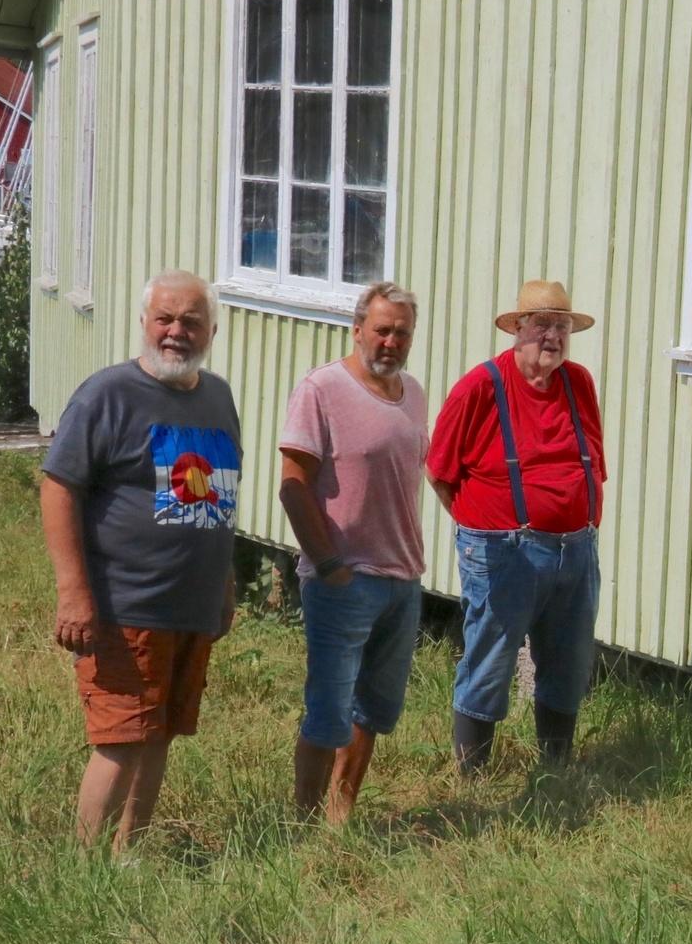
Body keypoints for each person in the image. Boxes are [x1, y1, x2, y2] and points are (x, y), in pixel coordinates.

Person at [40, 271, 240, 852]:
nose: (177, 332)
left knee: (161, 733)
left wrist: (224, 585)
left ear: (212, 329)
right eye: (166, 319)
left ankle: (128, 856)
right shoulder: (108, 393)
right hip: (124, 604)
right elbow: (59, 487)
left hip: (191, 606)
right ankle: (82, 869)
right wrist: (74, 593)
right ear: (145, 324)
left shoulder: (218, 396)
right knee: (122, 736)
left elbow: (219, 499)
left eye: (191, 322)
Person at [427, 280, 605, 773]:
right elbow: (440, 471)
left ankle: (555, 767)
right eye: (542, 324)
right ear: (517, 330)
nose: (553, 336)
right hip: (504, 550)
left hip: (576, 548)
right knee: (491, 662)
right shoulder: (481, 386)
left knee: (568, 662)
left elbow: (592, 460)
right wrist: (482, 531)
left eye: (562, 326)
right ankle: (473, 775)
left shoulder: (579, 383)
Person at [278, 282, 428, 823]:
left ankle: (339, 819)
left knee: (373, 711)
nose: (391, 341)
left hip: (402, 578)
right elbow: (293, 485)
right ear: (358, 328)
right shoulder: (322, 388)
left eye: (402, 332)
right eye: (382, 330)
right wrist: (330, 564)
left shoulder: (413, 392)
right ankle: (300, 825)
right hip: (344, 580)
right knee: (329, 712)